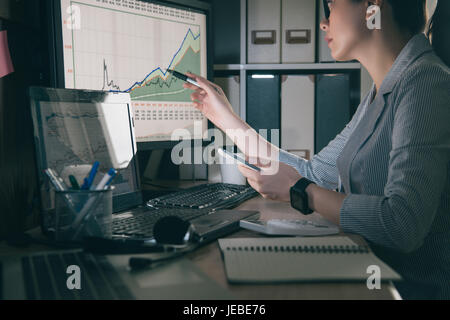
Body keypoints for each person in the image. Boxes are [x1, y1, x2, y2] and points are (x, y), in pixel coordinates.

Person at [183, 0, 450, 300]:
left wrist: (303, 191)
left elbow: (403, 223)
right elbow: (313, 174)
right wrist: (225, 119)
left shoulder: (426, 82)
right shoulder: (381, 91)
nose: (324, 23)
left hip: (406, 291)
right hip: (373, 276)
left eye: (332, 4)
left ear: (373, 7)